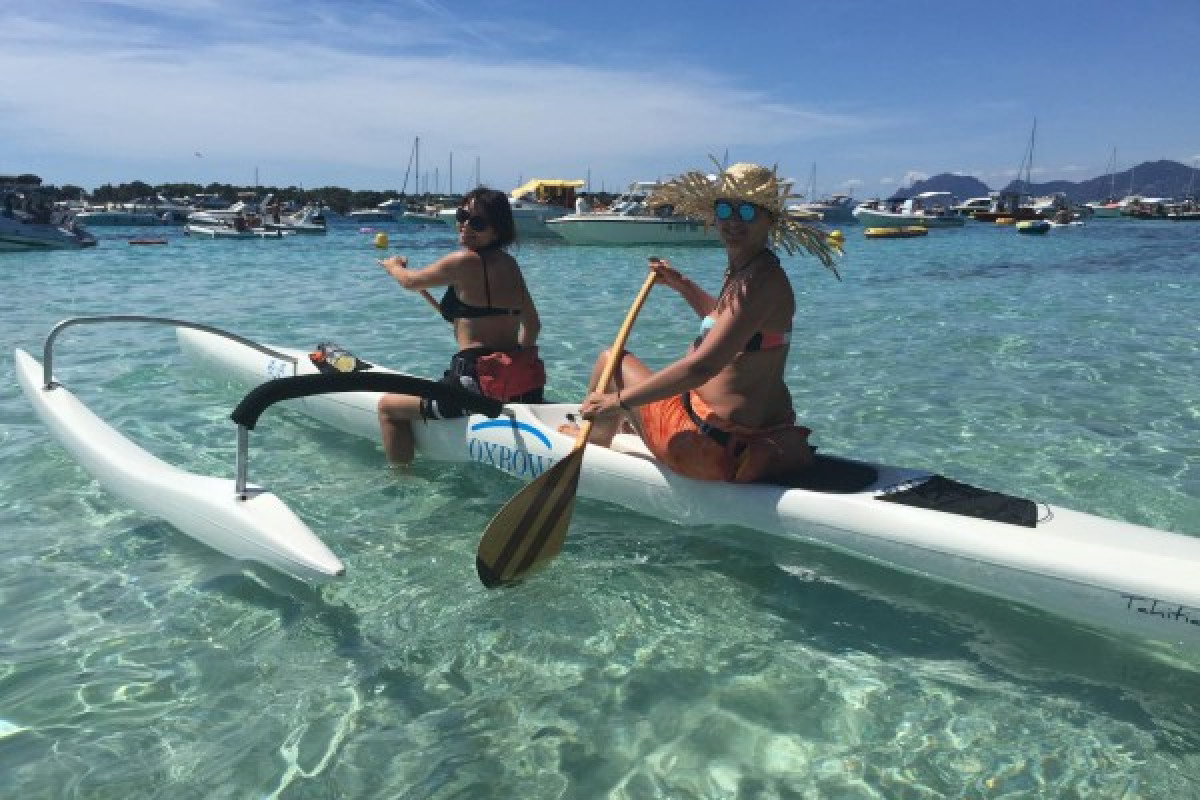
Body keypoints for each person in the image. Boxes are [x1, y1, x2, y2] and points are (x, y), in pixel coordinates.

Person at [578, 161, 840, 484]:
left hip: (710, 445)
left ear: (769, 220)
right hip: (745, 435)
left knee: (611, 362)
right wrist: (683, 285)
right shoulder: (751, 271)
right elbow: (724, 325)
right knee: (637, 391)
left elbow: (701, 368)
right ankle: (622, 424)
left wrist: (615, 401)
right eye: (725, 209)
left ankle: (593, 451)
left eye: (746, 211)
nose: (733, 221)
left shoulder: (757, 283)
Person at [377, 187, 544, 466]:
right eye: (462, 216)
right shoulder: (511, 266)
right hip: (521, 387)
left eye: (477, 222)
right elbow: (533, 326)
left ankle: (401, 481)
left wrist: (393, 266)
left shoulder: (462, 261)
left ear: (497, 231)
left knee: (388, 408)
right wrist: (511, 368)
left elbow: (410, 281)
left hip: (473, 387)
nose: (466, 225)